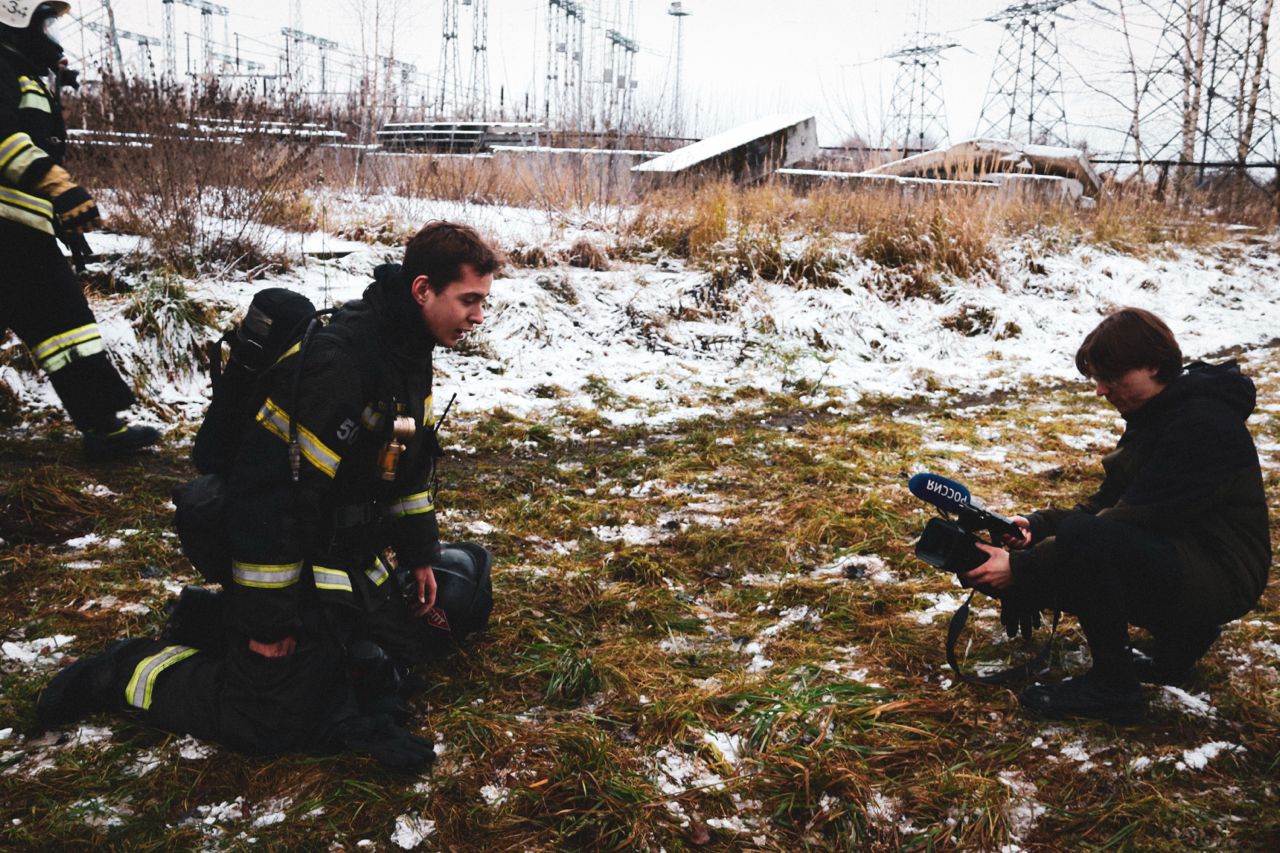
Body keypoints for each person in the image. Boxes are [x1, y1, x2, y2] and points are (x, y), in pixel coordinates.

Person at [36, 221, 500, 768]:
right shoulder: (342, 363)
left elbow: (402, 468)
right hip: (275, 550)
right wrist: (268, 627)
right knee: (271, 719)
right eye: (469, 300)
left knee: (395, 662)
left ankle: (212, 623)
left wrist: (420, 556)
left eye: (483, 302)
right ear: (423, 289)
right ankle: (124, 669)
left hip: (337, 555)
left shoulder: (406, 349)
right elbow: (268, 500)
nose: (478, 316)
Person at [963, 307, 1270, 722]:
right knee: (1080, 536)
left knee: (1087, 543)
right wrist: (1036, 527)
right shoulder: (1159, 413)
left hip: (1223, 573)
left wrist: (1022, 568)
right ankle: (1179, 644)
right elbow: (1110, 501)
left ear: (1155, 365)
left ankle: (1114, 687)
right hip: (1194, 558)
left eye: (1112, 378)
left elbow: (1123, 522)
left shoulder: (1201, 424)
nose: (1101, 391)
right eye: (1096, 379)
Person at [0, 2, 158, 460]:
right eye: (42, 20)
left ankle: (104, 429)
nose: (48, 32)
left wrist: (58, 216)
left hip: (21, 230)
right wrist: (59, 187)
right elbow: (5, 139)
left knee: (67, 326)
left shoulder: (20, 69)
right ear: (14, 17)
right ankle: (102, 427)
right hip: (9, 230)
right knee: (63, 318)